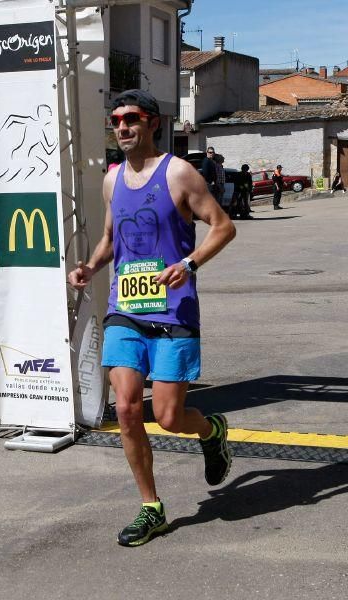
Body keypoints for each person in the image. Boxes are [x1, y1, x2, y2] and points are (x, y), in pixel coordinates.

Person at [67, 89, 236, 547]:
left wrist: (190, 264)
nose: (121, 127)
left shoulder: (178, 173)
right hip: (126, 310)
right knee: (124, 408)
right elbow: (109, 238)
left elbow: (223, 226)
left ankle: (211, 429)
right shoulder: (111, 179)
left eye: (131, 119)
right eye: (116, 120)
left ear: (153, 123)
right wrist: (89, 266)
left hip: (174, 311)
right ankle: (151, 508)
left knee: (167, 416)